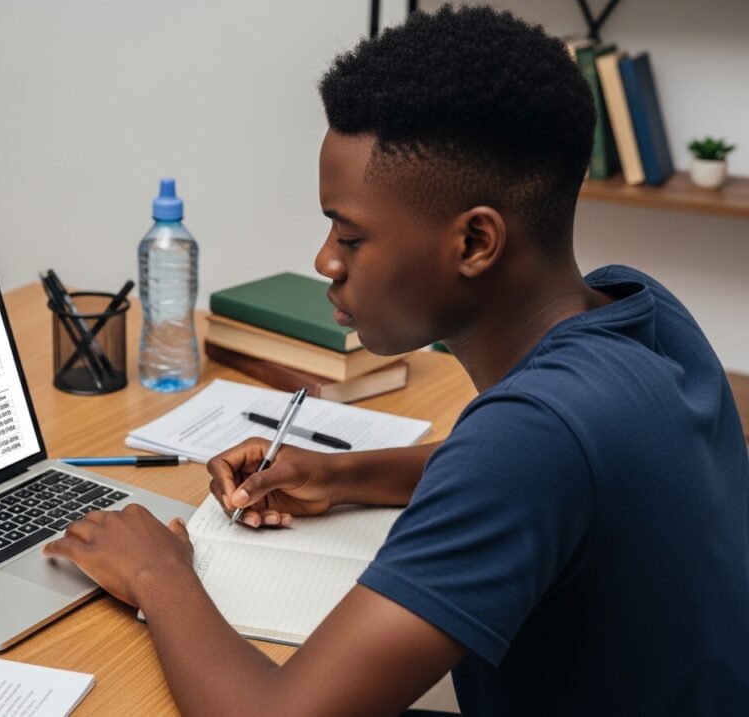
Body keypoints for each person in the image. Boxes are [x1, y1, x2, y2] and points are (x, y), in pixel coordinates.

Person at [43, 6, 749, 715]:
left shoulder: (530, 440)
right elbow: (548, 470)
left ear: (475, 242)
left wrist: (158, 572)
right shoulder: (643, 311)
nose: (325, 259)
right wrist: (337, 473)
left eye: (349, 236)